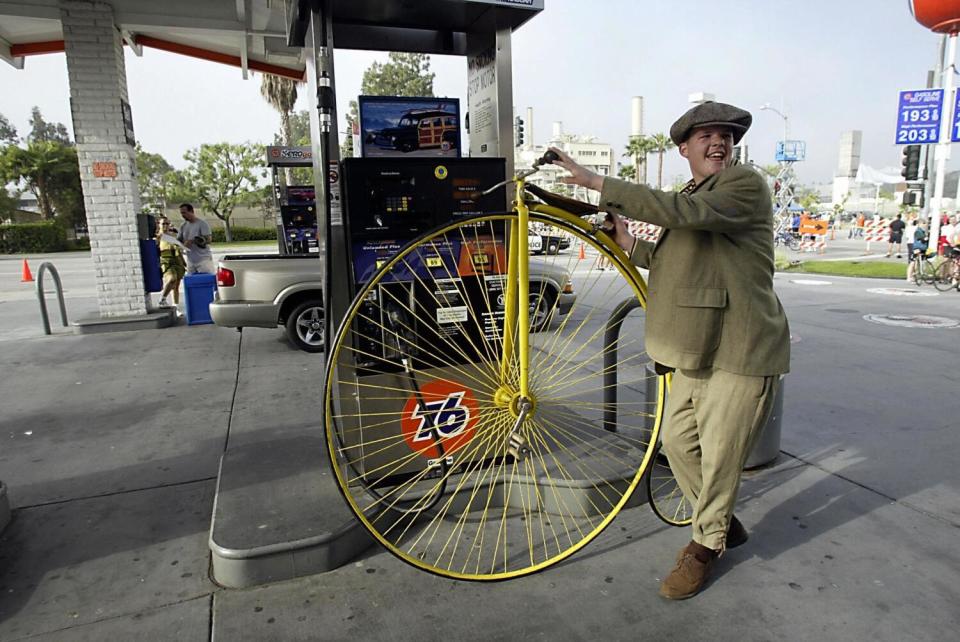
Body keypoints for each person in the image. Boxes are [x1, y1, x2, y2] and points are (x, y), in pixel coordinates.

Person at [547, 101, 790, 600]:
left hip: (740, 347)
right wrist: (624, 239)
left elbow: (684, 215)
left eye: (725, 134)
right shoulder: (695, 197)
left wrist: (596, 182)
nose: (718, 142)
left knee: (722, 457)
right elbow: (670, 259)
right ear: (685, 149)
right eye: (705, 136)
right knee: (678, 444)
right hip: (694, 347)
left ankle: (703, 548)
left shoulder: (742, 186)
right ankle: (720, 523)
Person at [176, 203, 214, 274]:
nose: (183, 215)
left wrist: (192, 241)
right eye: (181, 213)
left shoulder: (202, 224)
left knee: (206, 281)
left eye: (184, 213)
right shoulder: (183, 226)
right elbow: (179, 239)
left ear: (191, 211)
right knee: (192, 283)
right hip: (190, 260)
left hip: (204, 260)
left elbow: (209, 240)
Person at [156, 217, 186, 307]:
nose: (165, 226)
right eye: (163, 224)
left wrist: (183, 262)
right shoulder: (158, 237)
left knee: (176, 286)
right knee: (172, 278)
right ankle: (162, 298)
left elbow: (178, 251)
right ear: (159, 224)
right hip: (166, 262)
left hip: (177, 261)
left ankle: (175, 307)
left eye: (167, 224)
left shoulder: (172, 237)